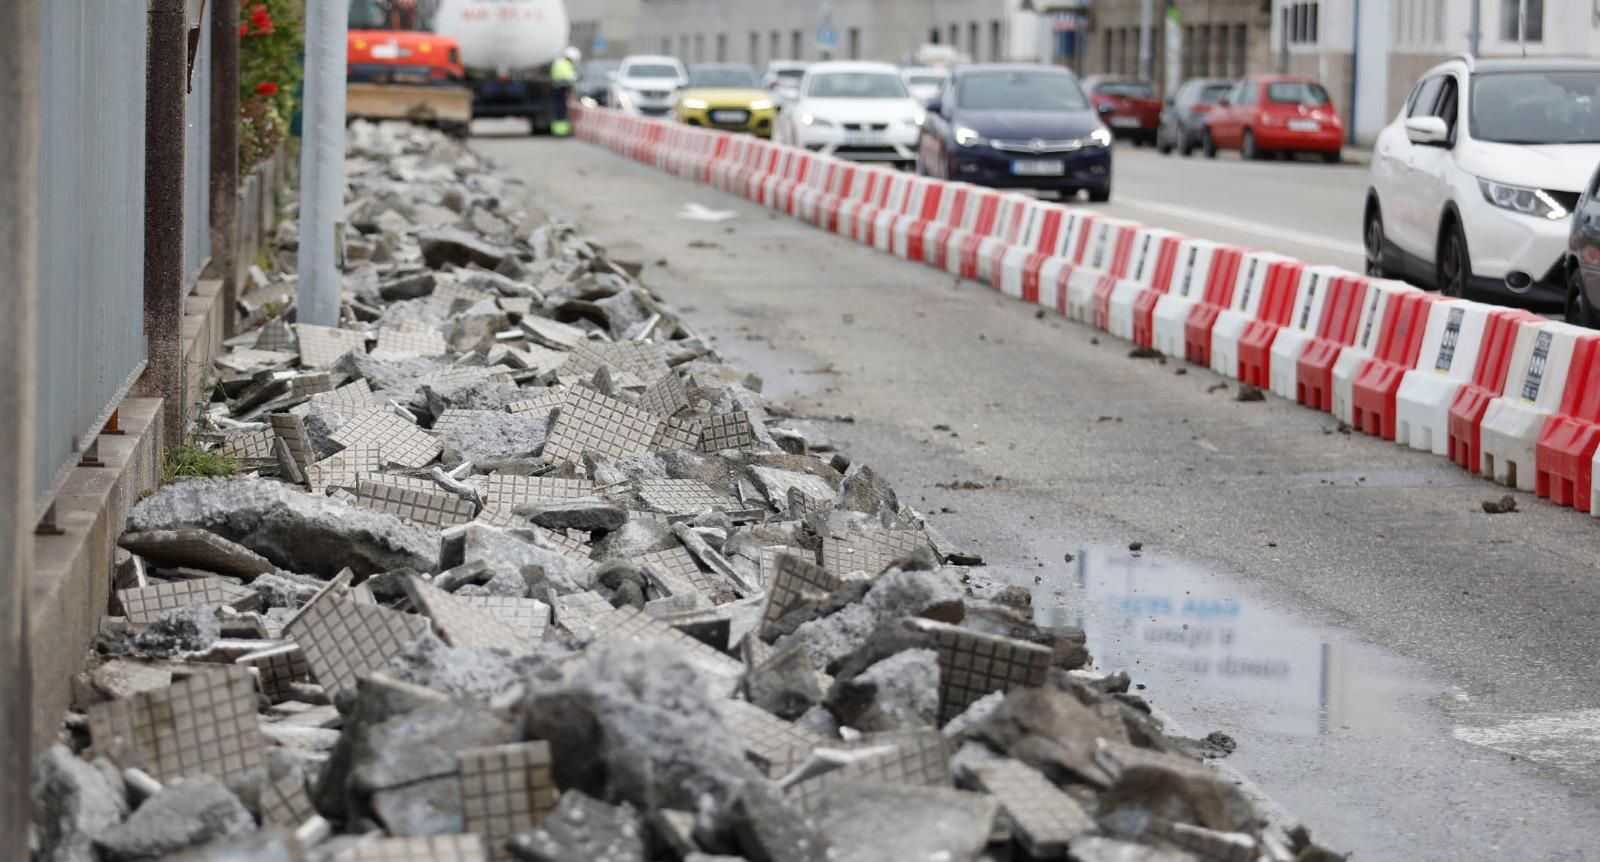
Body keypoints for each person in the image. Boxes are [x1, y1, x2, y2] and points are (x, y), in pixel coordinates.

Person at [550, 46, 580, 136]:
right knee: (562, 109)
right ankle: (562, 130)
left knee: (558, 109)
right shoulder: (566, 64)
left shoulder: (558, 62)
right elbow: (569, 79)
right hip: (563, 89)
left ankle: (557, 130)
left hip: (556, 88)